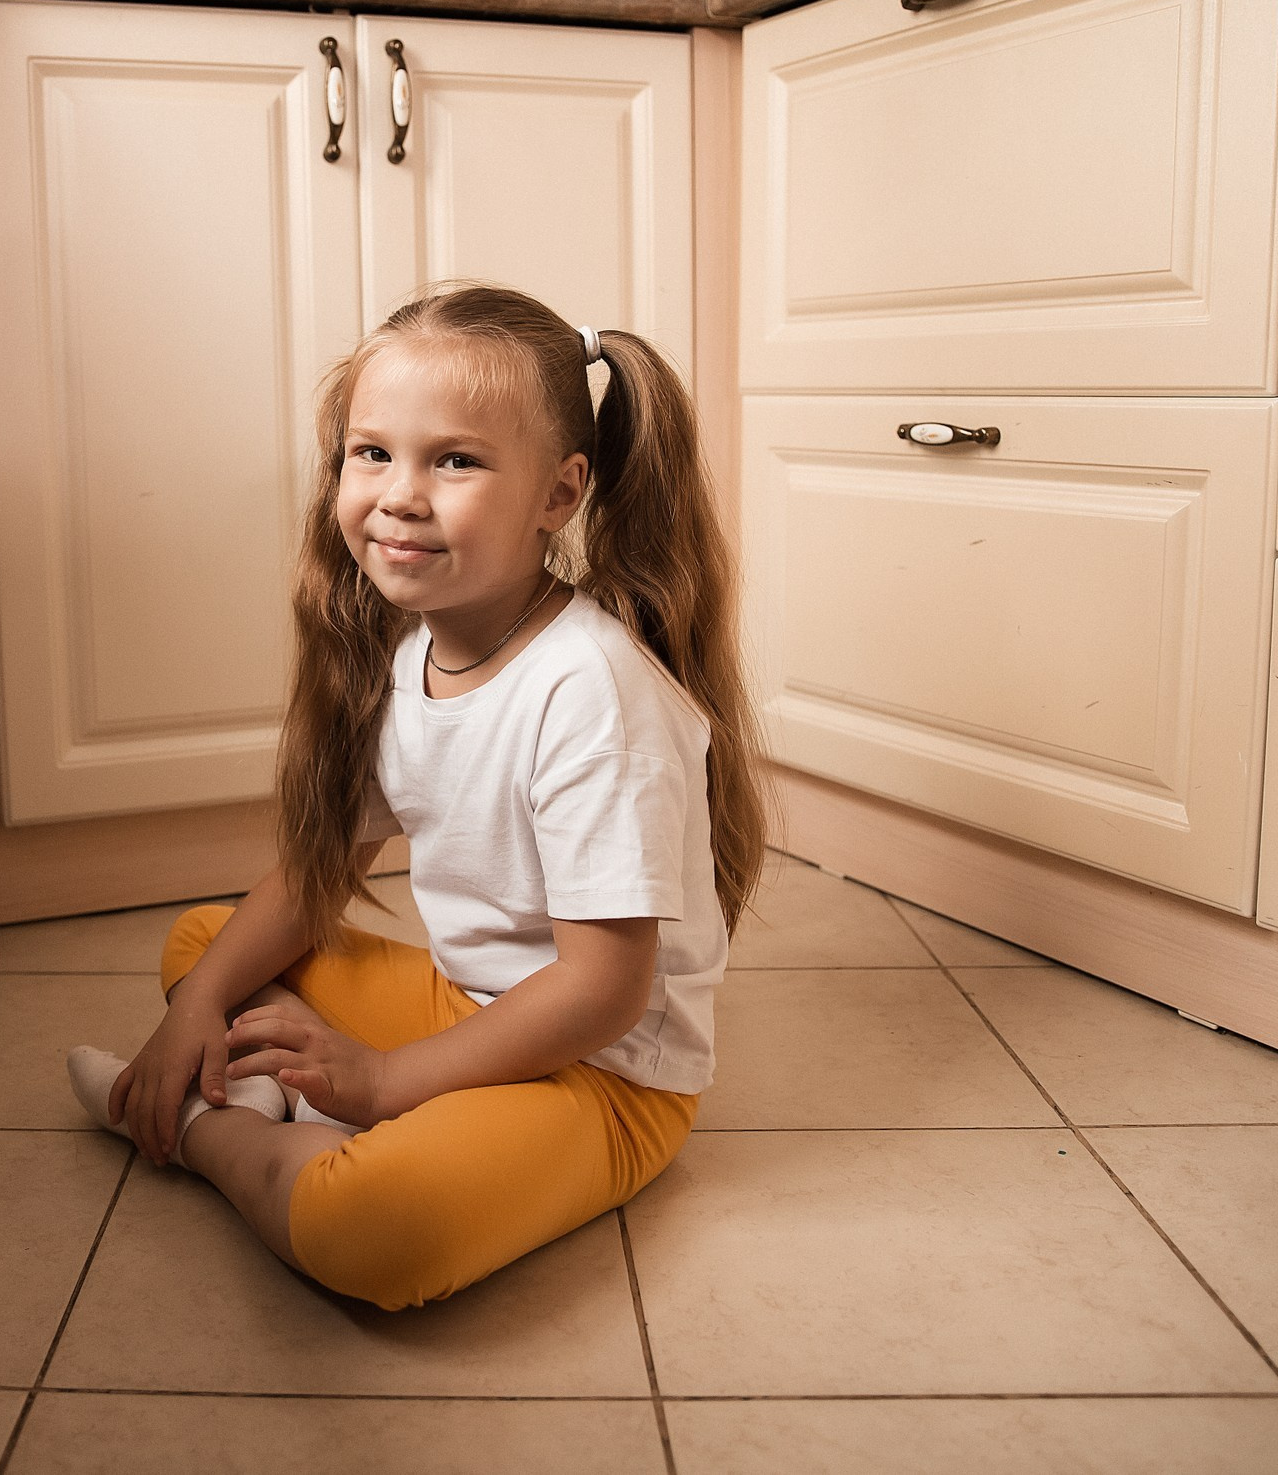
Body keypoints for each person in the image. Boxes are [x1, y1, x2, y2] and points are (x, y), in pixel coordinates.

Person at [65, 284, 769, 1311]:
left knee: (375, 1226)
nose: (398, 493)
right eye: (371, 453)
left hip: (604, 1076)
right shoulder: (414, 657)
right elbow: (316, 880)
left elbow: (601, 993)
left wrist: (385, 1082)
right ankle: (282, 1095)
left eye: (456, 460)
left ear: (559, 495)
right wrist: (203, 1009)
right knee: (203, 946)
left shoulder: (592, 692)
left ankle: (224, 1136)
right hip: (465, 1003)